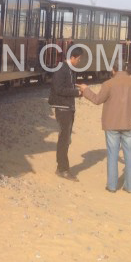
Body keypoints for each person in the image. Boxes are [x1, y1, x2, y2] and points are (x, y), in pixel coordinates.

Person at [78, 62, 131, 193]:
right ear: (126, 69)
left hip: (111, 125)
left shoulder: (108, 84)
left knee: (112, 155)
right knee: (130, 157)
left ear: (114, 70)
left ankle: (112, 186)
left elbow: (97, 100)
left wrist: (85, 90)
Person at [48, 50, 83, 181]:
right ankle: (62, 169)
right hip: (62, 107)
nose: (79, 62)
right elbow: (59, 89)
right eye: (78, 59)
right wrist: (77, 93)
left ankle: (62, 167)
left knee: (66, 138)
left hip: (67, 107)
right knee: (64, 138)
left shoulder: (68, 69)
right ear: (72, 57)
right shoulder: (62, 70)